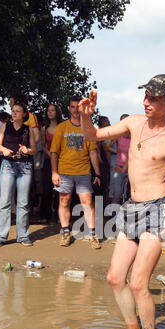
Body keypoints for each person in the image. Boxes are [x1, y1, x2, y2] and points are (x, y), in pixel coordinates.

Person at [79, 74, 165, 329]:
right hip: (131, 208)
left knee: (138, 283)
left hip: (158, 210)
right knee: (114, 277)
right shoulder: (133, 122)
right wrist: (87, 116)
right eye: (146, 96)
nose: (146, 102)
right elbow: (93, 135)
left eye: (153, 98)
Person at [50, 95, 101, 249]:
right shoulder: (62, 127)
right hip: (64, 171)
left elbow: (93, 153)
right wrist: (54, 172)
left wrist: (97, 174)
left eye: (77, 107)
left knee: (87, 203)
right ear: (68, 108)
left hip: (84, 172)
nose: (75, 110)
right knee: (64, 201)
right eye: (72, 107)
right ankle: (66, 233)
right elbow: (54, 152)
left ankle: (93, 235)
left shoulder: (88, 128)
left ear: (81, 108)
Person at [0, 102, 36, 247]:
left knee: (23, 203)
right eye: (13, 111)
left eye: (18, 111)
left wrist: (27, 150)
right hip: (7, 165)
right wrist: (3, 150)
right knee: (4, 201)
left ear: (24, 114)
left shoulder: (28, 129)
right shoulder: (6, 126)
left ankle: (23, 236)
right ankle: (1, 236)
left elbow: (34, 149)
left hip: (25, 167)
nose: (14, 113)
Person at [40, 103, 62, 223]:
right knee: (47, 188)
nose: (50, 112)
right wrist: (52, 155)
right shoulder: (44, 128)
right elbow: (43, 146)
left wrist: (59, 157)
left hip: (62, 161)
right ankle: (45, 215)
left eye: (53, 110)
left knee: (60, 189)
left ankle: (59, 216)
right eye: (48, 110)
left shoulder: (62, 127)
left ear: (57, 112)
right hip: (48, 161)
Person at [112, 114, 130, 204]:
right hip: (119, 166)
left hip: (132, 168)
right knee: (118, 191)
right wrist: (117, 150)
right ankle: (113, 211)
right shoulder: (118, 136)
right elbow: (106, 146)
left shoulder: (135, 135)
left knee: (132, 192)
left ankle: (131, 212)